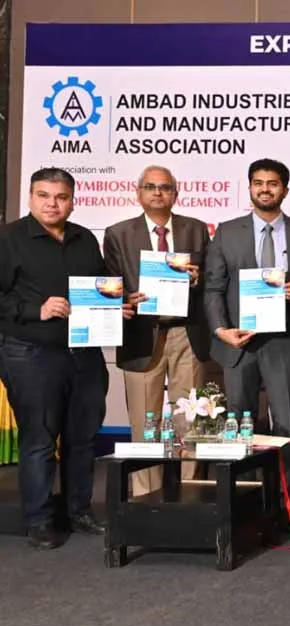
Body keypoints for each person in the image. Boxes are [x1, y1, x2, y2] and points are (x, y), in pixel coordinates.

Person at [0, 168, 138, 549]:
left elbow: (97, 289)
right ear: (30, 198)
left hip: (84, 353)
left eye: (60, 197)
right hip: (31, 352)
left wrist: (117, 305)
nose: (52, 204)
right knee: (40, 439)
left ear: (73, 201)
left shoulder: (84, 239)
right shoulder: (9, 239)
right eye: (43, 196)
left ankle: (78, 510)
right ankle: (40, 520)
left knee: (83, 437)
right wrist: (36, 309)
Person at [204, 158, 290, 498]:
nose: (265, 189)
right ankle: (241, 492)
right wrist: (221, 330)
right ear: (250, 188)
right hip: (239, 340)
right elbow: (213, 287)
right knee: (239, 421)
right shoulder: (227, 232)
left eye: (272, 183)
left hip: (284, 340)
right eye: (258, 183)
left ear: (285, 189)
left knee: (284, 422)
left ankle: (285, 495)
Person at [103, 165, 212, 496]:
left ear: (175, 194)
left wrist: (199, 278)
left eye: (165, 187)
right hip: (141, 333)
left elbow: (212, 276)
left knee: (191, 420)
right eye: (150, 187)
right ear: (138, 193)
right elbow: (109, 281)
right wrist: (125, 297)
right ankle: (145, 497)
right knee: (145, 422)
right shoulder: (118, 233)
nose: (157, 192)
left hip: (187, 333)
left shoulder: (196, 229)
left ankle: (192, 493)